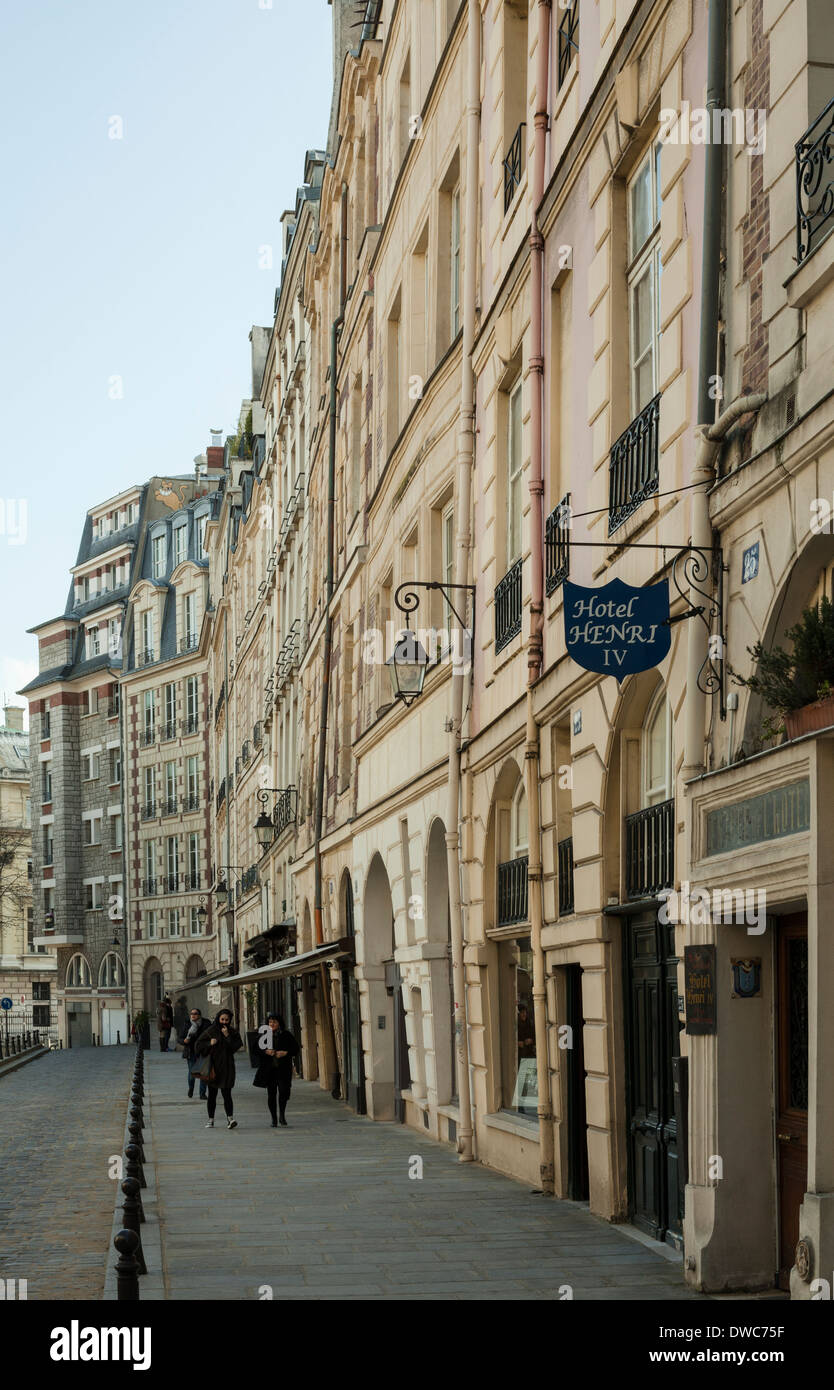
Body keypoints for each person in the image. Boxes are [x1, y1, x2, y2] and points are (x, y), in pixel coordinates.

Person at [195, 1008, 243, 1129]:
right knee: (212, 1094)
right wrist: (209, 1043)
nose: (224, 1022)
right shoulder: (211, 1031)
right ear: (218, 1019)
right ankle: (211, 1119)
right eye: (222, 1019)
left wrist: (227, 1037)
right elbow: (198, 1046)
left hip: (227, 1067)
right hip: (213, 1067)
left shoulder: (232, 1032)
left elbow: (235, 1047)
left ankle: (230, 1119)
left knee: (227, 1094)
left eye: (227, 1020)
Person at [253, 1013, 299, 1127]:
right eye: (270, 1022)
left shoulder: (286, 1035)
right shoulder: (264, 1035)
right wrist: (265, 1052)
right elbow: (255, 1049)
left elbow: (296, 1049)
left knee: (284, 1092)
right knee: (271, 1094)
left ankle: (282, 1115)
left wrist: (285, 1053)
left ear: (279, 1023)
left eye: (274, 1022)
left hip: (283, 1069)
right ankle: (274, 1118)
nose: (272, 1024)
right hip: (270, 1070)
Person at [180, 1006, 212, 1100]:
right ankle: (191, 1088)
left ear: (199, 1015)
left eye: (195, 1014)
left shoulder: (206, 1023)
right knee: (192, 1073)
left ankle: (202, 1093)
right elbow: (180, 1037)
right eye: (192, 1014)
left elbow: (210, 1035)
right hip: (191, 1051)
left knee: (203, 1073)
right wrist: (184, 1041)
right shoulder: (187, 1024)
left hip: (203, 1051)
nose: (193, 1015)